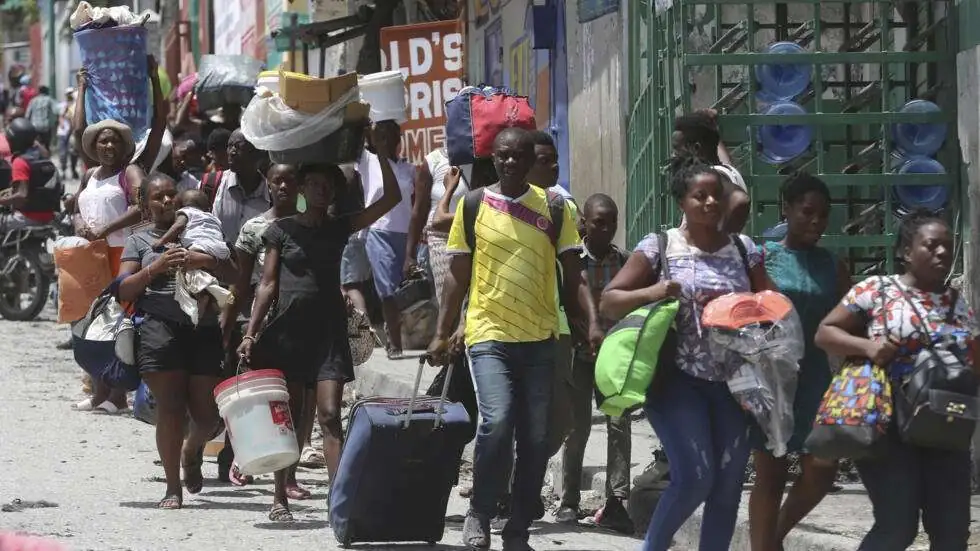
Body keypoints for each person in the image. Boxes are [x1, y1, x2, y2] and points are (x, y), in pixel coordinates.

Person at [428, 128, 602, 551]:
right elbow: (457, 276)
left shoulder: (555, 208)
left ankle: (519, 526)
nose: (510, 163)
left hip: (541, 337)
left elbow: (575, 274)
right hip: (488, 334)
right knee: (496, 421)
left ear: (530, 161)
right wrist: (441, 332)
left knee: (536, 437)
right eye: (503, 156)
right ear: (494, 159)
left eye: (519, 156)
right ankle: (480, 512)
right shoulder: (473, 205)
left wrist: (592, 320)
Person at [600, 156, 769, 551]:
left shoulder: (745, 250)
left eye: (717, 195)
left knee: (728, 484)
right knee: (694, 476)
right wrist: (655, 291)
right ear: (682, 202)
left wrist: (756, 313)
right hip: (676, 381)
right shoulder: (661, 247)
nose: (711, 203)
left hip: (734, 383)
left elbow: (771, 301)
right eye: (700, 196)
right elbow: (610, 301)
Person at [238, 145, 403, 521]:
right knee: (291, 416)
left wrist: (376, 153)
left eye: (326, 184)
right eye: (312, 183)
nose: (319, 190)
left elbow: (391, 198)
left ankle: (339, 500)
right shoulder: (281, 230)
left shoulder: (339, 226)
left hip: (328, 334)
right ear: (301, 188)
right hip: (288, 334)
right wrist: (250, 332)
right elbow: (267, 284)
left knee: (329, 415)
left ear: (333, 189)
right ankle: (279, 498)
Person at [815, 211, 978, 550]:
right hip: (887, 424)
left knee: (952, 532)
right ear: (907, 251)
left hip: (946, 426)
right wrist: (869, 347)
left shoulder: (957, 302)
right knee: (897, 527)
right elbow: (825, 333)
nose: (942, 254)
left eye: (947, 247)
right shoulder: (877, 290)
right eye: (932, 246)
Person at [748, 173, 851, 551]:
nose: (816, 222)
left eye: (823, 215)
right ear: (786, 210)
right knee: (771, 474)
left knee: (823, 468)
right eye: (807, 212)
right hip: (772, 378)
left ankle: (774, 536)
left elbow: (848, 318)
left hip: (817, 379)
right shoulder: (764, 258)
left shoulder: (833, 265)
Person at [117, 172, 232, 509]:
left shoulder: (203, 232)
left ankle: (192, 449)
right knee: (171, 407)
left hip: (204, 328)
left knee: (207, 415)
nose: (167, 201)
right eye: (158, 197)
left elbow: (235, 273)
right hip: (159, 327)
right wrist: (155, 269)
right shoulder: (138, 242)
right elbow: (122, 290)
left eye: (171, 195)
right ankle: (172, 487)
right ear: (145, 204)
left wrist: (202, 260)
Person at [221, 163, 308, 490]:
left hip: (299, 322)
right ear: (268, 186)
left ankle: (289, 476)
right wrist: (230, 326)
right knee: (259, 399)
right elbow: (240, 284)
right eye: (277, 181)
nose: (284, 186)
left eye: (290, 180)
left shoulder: (310, 224)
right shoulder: (254, 228)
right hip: (261, 323)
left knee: (297, 402)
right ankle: (245, 457)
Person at [556, 193, 634, 533]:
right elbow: (562, 301)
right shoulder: (572, 261)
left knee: (619, 426)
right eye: (599, 222)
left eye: (612, 222)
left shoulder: (626, 262)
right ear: (584, 223)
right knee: (577, 428)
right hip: (579, 356)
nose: (607, 229)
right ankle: (569, 501)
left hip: (614, 359)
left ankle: (616, 502)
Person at [358, 120, 417, 359]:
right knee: (388, 290)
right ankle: (394, 341)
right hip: (378, 232)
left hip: (405, 234)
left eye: (392, 135)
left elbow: (416, 205)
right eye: (381, 136)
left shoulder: (409, 169)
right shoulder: (367, 162)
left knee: (407, 290)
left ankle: (410, 334)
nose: (387, 141)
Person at [673, 109, 749, 233]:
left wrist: (721, 242)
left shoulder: (712, 177)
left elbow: (739, 200)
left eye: (677, 149)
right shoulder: (725, 170)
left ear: (696, 148)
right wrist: (709, 125)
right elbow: (719, 154)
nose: (674, 155)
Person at [209, 130, 272, 246]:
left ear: (258, 152)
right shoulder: (211, 184)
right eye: (229, 146)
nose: (231, 152)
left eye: (238, 147)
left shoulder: (271, 194)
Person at [0, 118, 60, 231]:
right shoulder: (43, 159)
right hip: (49, 217)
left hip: (26, 218)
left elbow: (22, 195)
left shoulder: (20, 162)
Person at [57, 88, 79, 179]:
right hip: (63, 133)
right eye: (68, 94)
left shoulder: (76, 105)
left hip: (72, 133)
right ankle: (63, 171)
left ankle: (73, 170)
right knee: (63, 153)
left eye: (71, 93)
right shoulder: (64, 105)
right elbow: (61, 117)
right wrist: (62, 124)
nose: (70, 95)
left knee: (73, 153)